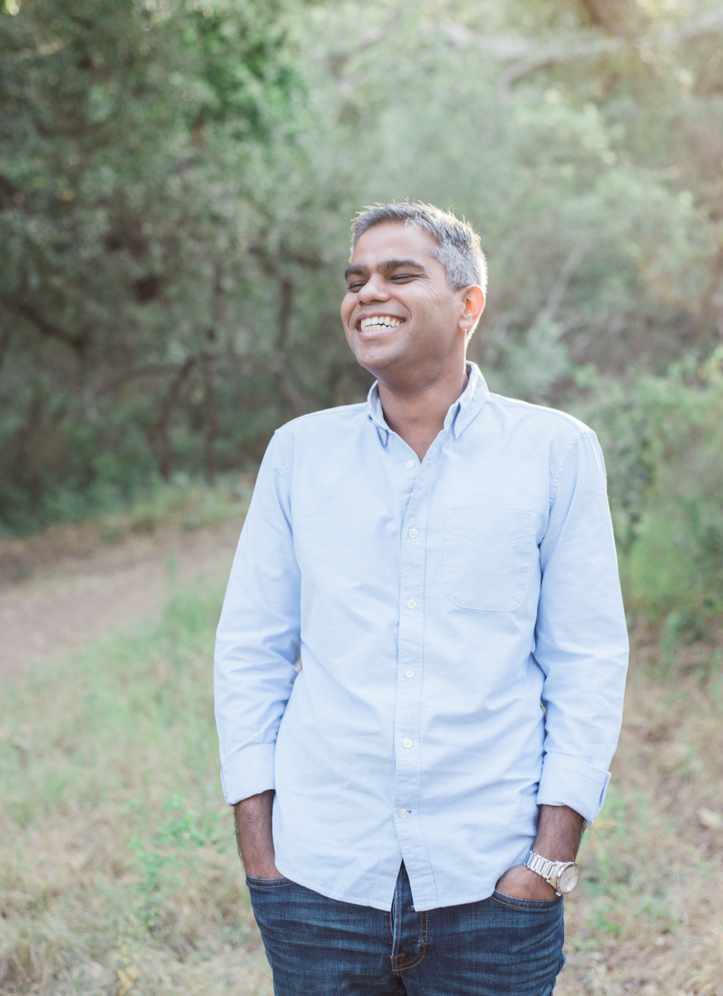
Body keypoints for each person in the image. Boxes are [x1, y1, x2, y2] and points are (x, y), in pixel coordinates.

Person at [213, 202, 628, 994]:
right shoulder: (300, 452)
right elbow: (250, 653)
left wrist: (547, 862)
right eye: (356, 278)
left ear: (469, 303)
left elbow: (587, 660)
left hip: (491, 885)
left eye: (401, 274)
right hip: (318, 882)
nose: (369, 292)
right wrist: (262, 855)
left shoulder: (556, 451)